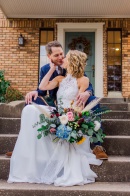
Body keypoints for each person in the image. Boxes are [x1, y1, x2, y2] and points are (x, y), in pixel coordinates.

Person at [8, 50, 102, 186]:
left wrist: (71, 119)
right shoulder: (59, 79)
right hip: (58, 113)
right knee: (29, 109)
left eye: (66, 57)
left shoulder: (83, 80)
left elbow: (79, 105)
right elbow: (42, 87)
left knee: (37, 111)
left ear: (73, 62)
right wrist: (52, 69)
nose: (63, 59)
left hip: (70, 115)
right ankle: (27, 148)